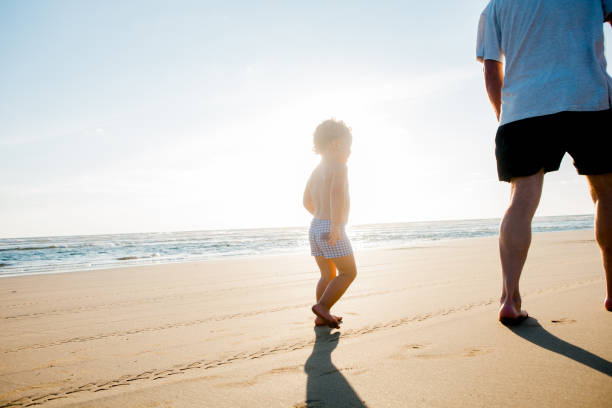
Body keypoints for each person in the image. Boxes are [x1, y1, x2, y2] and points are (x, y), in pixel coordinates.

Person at [476, 0, 612, 325]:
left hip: (524, 109)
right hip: (589, 99)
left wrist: (503, 112)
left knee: (521, 199)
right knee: (607, 195)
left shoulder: (496, 7)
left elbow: (491, 68)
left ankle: (509, 298)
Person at [303, 118, 357, 329]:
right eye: (348, 146)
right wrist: (334, 225)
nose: (350, 152)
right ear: (336, 144)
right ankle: (323, 307)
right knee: (348, 272)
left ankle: (322, 315)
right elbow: (337, 194)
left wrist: (320, 216)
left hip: (315, 227)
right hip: (331, 227)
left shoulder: (315, 171)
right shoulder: (339, 167)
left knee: (327, 274)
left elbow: (306, 201)